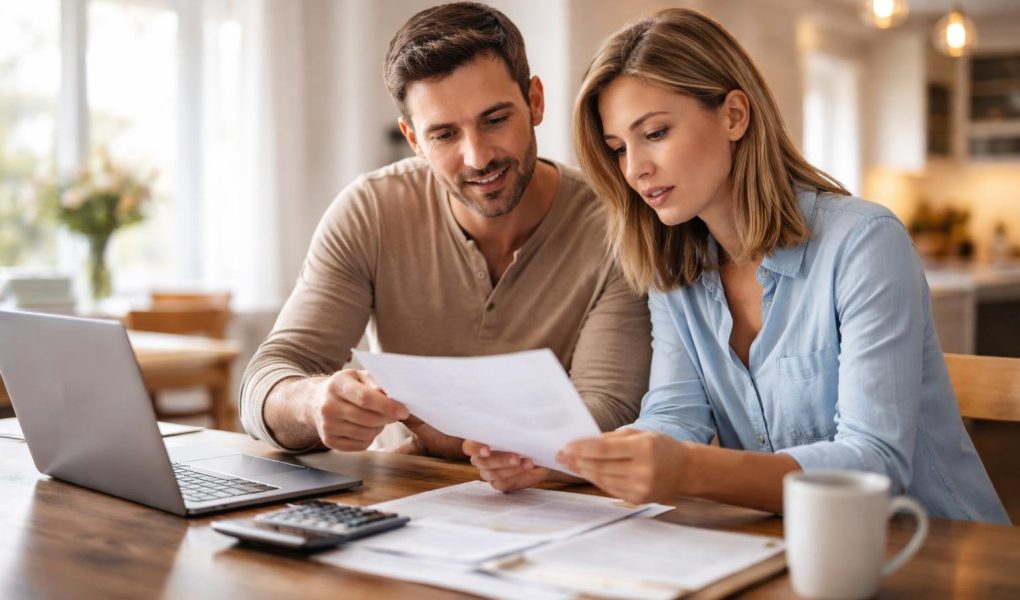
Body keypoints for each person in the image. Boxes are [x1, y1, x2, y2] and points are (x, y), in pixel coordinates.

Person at [466, 8, 1009, 523]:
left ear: (733, 115)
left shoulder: (864, 243)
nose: (636, 169)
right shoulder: (673, 267)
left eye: (655, 133)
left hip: (935, 550)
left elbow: (876, 464)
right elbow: (674, 418)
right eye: (618, 147)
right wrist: (560, 459)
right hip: (789, 548)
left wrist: (693, 469)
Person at [239, 2, 651, 460]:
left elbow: (608, 409)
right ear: (413, 139)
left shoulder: (614, 220)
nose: (477, 157)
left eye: (495, 120)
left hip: (557, 504)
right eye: (444, 135)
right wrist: (313, 403)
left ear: (534, 101)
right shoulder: (370, 211)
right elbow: (266, 382)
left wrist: (437, 436)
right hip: (404, 498)